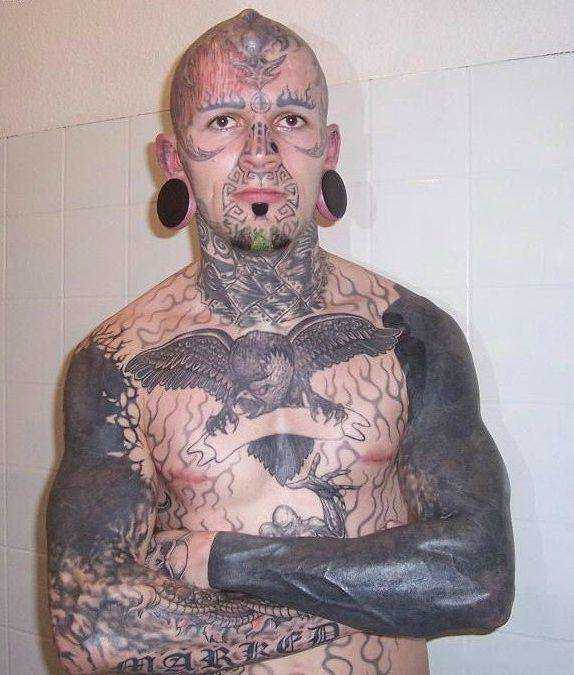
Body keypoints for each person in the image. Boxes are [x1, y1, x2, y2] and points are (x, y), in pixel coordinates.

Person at [46, 8, 514, 674]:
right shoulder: (117, 361)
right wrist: (394, 588)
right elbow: (91, 632)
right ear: (173, 160)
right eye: (224, 122)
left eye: (291, 120)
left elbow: (478, 581)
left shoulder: (411, 334)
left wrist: (219, 560)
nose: (260, 152)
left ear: (329, 149)